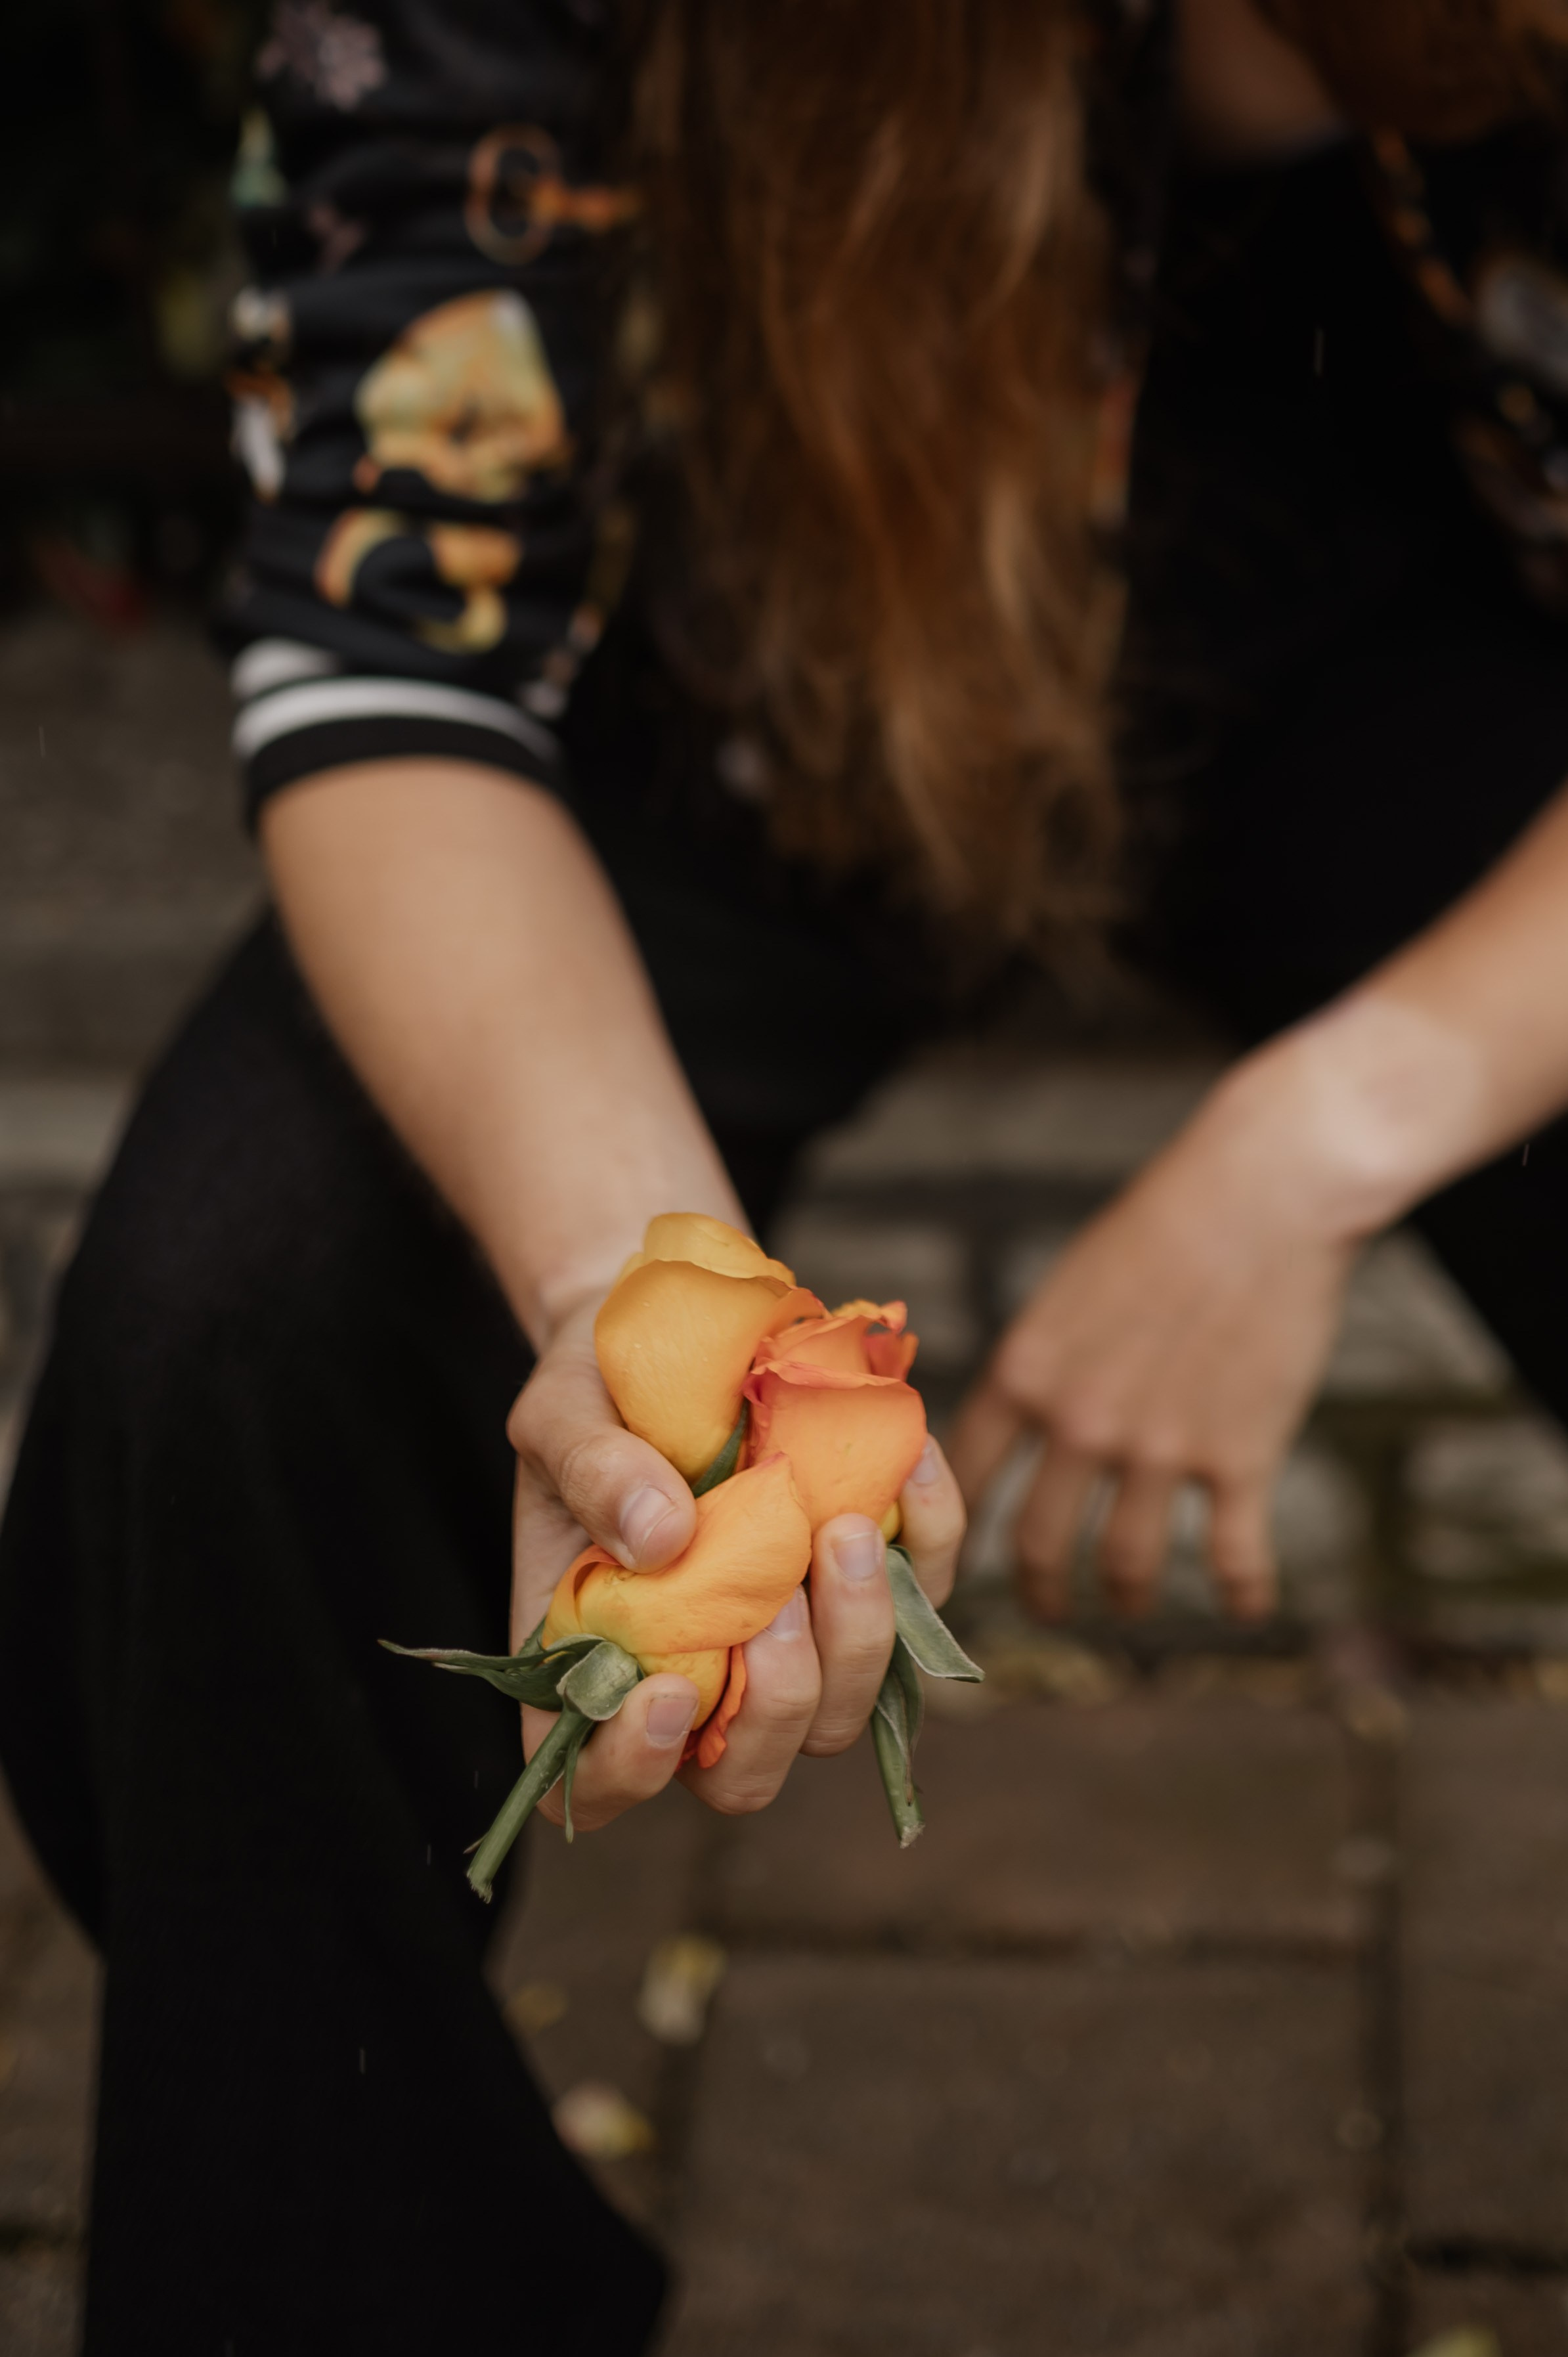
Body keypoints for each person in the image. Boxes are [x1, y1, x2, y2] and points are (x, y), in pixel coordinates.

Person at [7, 0, 1568, 2345]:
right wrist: (639, 1282)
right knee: (236, 1329)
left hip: (1455, 630)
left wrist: (1326, 1133)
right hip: (766, 630)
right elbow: (386, 651)